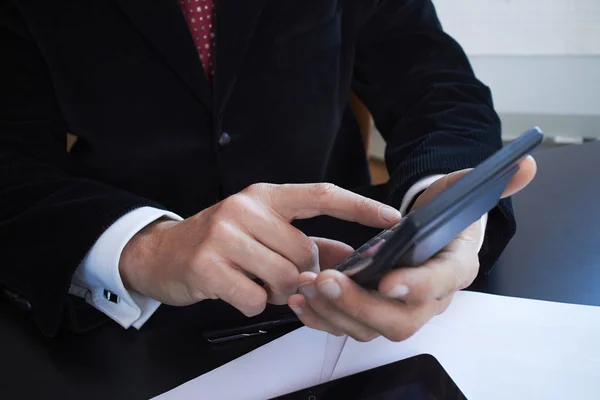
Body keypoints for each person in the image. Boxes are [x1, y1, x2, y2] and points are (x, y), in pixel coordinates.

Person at [0, 0, 535, 341]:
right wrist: (144, 247)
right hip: (128, 308)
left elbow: (433, 79)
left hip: (340, 270)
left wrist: (442, 195)